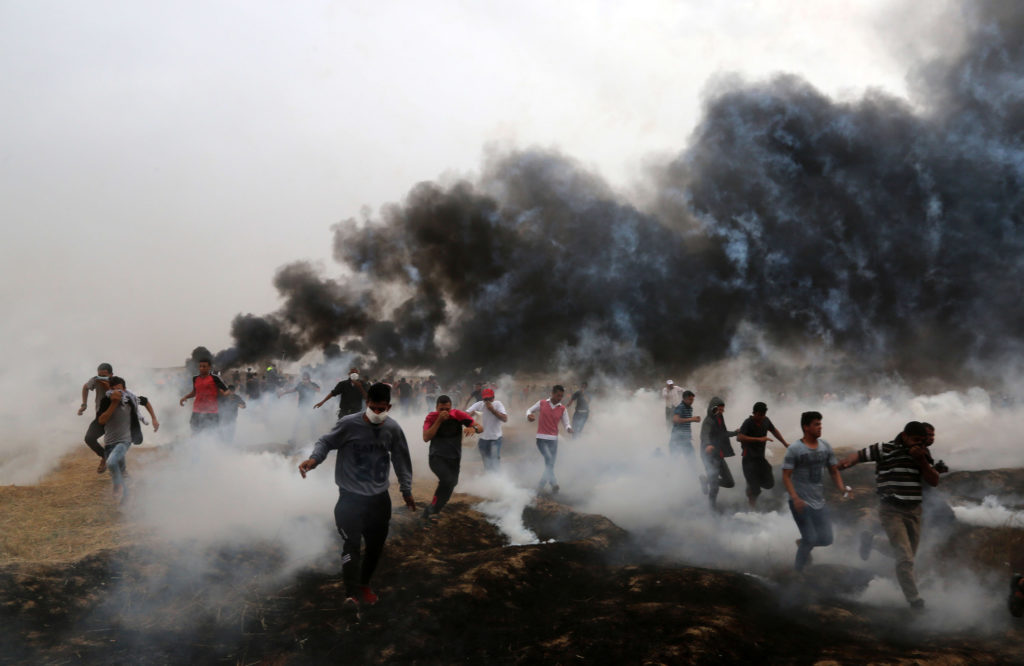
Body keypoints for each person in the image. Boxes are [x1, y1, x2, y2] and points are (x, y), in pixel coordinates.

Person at [297, 383, 416, 621]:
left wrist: (406, 489)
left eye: (381, 408)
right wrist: (313, 460)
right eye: (372, 407)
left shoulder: (392, 429)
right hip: (350, 497)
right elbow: (325, 442)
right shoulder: (349, 424)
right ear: (367, 403)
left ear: (388, 406)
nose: (376, 412)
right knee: (351, 544)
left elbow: (401, 458)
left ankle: (363, 585)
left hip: (379, 499)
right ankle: (350, 595)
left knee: (374, 548)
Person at [838, 421, 938, 609]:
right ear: (905, 436)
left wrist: (922, 461)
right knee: (905, 559)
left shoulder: (924, 453)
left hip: (914, 510)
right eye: (915, 440)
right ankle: (915, 601)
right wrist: (845, 463)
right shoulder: (884, 449)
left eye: (922, 441)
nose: (918, 445)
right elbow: (859, 456)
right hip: (891, 510)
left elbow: (933, 481)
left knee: (906, 555)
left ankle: (872, 541)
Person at [782, 411, 848, 572]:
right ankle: (797, 572)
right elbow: (786, 476)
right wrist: (795, 498)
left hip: (819, 501)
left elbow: (833, 470)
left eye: (820, 424)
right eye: (816, 424)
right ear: (806, 427)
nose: (820, 427)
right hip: (801, 502)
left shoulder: (825, 446)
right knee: (810, 538)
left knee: (827, 539)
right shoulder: (795, 449)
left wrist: (842, 488)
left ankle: (802, 543)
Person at [421, 396, 482, 524]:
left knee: (451, 484)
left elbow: (480, 427)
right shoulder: (431, 417)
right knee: (447, 480)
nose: (444, 412)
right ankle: (432, 511)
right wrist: (439, 420)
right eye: (441, 409)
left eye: (447, 409)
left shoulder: (458, 415)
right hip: (436, 457)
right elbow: (426, 437)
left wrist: (473, 428)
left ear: (451, 407)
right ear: (436, 408)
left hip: (454, 458)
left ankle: (433, 510)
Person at [97, 376, 147, 503]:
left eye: (118, 387)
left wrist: (153, 419)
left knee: (112, 463)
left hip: (125, 440)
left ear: (124, 388)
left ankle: (118, 486)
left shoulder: (131, 399)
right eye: (112, 388)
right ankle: (127, 498)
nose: (115, 390)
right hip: (109, 442)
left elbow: (146, 402)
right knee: (121, 471)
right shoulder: (106, 401)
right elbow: (101, 421)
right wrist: (113, 403)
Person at [737, 402, 789, 508]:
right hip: (748, 459)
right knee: (755, 490)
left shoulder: (766, 420)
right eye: (759, 415)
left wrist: (784, 443)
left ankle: (751, 486)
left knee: (769, 483)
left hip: (760, 458)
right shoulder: (748, 422)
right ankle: (752, 507)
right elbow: (739, 437)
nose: (761, 417)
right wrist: (758, 439)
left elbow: (774, 431)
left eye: (763, 415)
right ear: (754, 413)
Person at [526, 385, 573, 494]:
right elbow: (529, 410)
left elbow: (566, 423)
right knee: (549, 461)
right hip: (541, 439)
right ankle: (552, 484)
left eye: (561, 396)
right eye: (557, 395)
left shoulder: (562, 409)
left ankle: (543, 486)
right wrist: (529, 416)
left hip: (553, 440)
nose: (559, 398)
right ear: (552, 393)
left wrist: (569, 429)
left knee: (550, 464)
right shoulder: (542, 403)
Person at [699, 397, 738, 510]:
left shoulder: (720, 418)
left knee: (730, 482)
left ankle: (706, 480)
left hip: (718, 455)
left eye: (722, 410)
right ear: (713, 408)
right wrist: (707, 445)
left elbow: (723, 433)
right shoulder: (708, 421)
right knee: (714, 486)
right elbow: (704, 435)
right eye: (719, 410)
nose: (721, 412)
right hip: (708, 456)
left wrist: (735, 433)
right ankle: (712, 508)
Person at [78, 363, 114, 473]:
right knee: (89, 438)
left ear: (111, 374)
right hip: (100, 416)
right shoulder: (95, 380)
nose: (101, 377)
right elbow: (85, 387)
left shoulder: (117, 382)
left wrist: (107, 386)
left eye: (104, 375)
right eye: (99, 375)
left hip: (115, 417)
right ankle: (105, 456)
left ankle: (122, 474)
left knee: (113, 443)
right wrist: (84, 405)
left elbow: (116, 397)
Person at [179, 359, 230, 435]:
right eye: (200, 366)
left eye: (204, 366)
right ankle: (196, 445)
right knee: (195, 430)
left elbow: (227, 390)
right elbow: (194, 392)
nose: (201, 368)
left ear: (209, 367)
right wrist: (185, 397)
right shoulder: (195, 378)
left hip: (211, 410)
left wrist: (224, 394)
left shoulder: (215, 378)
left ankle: (212, 446)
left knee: (212, 432)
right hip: (197, 410)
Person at [466, 388, 508, 471]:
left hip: (496, 438)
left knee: (495, 461)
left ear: (493, 398)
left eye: (489, 399)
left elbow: (505, 419)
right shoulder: (479, 405)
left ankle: (497, 479)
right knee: (486, 462)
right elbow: (465, 415)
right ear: (483, 399)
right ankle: (489, 479)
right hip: (482, 439)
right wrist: (471, 414)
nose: (487, 401)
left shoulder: (498, 404)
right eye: (485, 399)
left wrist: (493, 410)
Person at [279, 373, 320, 442]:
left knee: (312, 423)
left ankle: (314, 437)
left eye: (305, 379)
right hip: (301, 407)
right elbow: (293, 390)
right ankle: (293, 438)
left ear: (309, 379)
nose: (304, 381)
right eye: (303, 379)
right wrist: (284, 393)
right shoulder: (300, 384)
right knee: (297, 423)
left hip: (309, 407)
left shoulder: (313, 384)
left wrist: (310, 386)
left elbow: (318, 390)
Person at [668, 389, 701, 461]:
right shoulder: (681, 407)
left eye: (693, 399)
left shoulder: (690, 408)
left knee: (692, 459)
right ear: (684, 399)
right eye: (690, 399)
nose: (692, 401)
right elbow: (675, 420)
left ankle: (692, 472)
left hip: (686, 439)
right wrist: (692, 419)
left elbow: (686, 422)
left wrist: (688, 434)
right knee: (674, 462)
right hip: (677, 440)